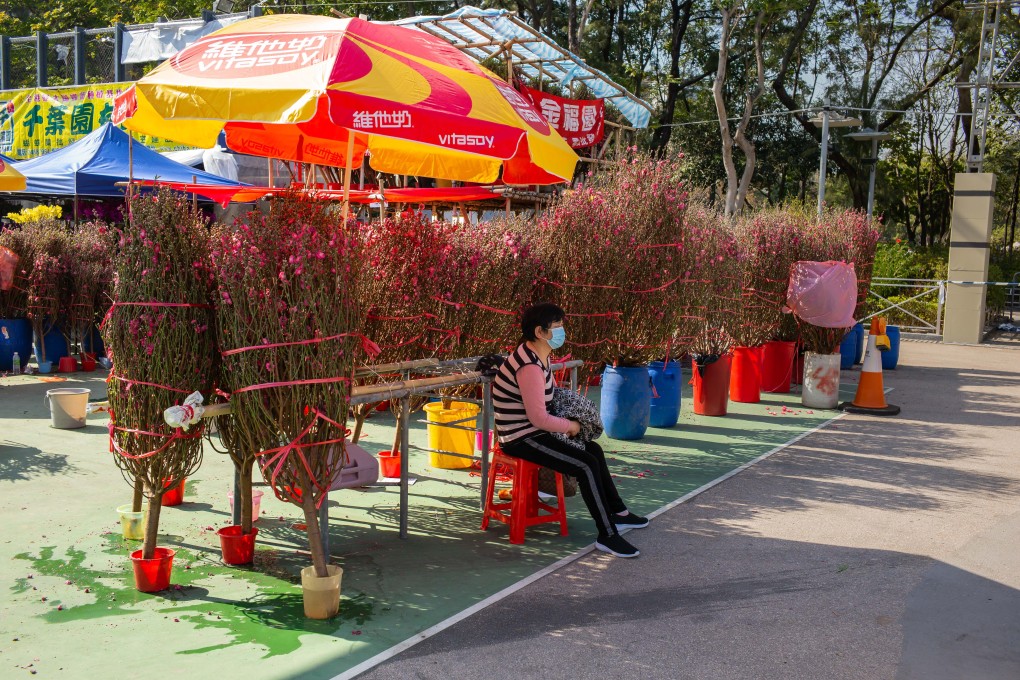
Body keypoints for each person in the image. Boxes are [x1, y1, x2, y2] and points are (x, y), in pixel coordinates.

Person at [492, 302, 648, 558]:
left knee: (593, 450)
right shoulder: (528, 365)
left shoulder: (538, 354)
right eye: (557, 326)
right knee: (584, 465)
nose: (562, 331)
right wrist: (570, 426)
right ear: (540, 332)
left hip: (534, 430)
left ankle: (619, 513)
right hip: (521, 437)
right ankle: (607, 535)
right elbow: (539, 418)